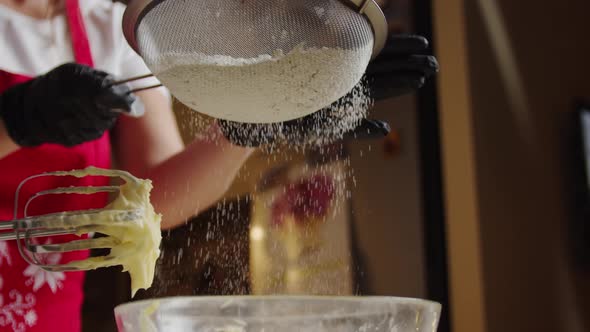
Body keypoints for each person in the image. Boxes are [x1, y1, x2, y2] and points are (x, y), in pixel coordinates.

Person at [0, 0, 437, 331]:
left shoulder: (105, 31)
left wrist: (255, 123)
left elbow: (159, 200)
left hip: (48, 316)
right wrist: (12, 121)